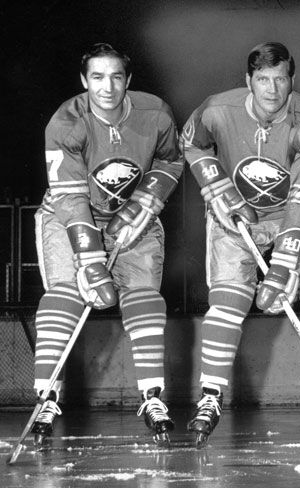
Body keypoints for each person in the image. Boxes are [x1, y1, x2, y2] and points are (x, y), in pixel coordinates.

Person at [180, 41, 300, 448]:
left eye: (280, 79)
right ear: (248, 81)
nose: (271, 89)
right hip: (239, 214)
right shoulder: (216, 109)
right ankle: (210, 397)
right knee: (228, 301)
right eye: (262, 79)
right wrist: (218, 189)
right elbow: (192, 142)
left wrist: (285, 260)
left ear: (291, 80)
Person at [32, 43, 184, 447]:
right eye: (97, 77)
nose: (107, 86)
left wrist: (143, 205)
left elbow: (171, 160)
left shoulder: (155, 113)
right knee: (66, 294)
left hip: (135, 216)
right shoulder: (66, 122)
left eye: (116, 76)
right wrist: (89, 256)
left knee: (145, 298)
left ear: (128, 80)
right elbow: (69, 195)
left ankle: (152, 397)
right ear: (84, 81)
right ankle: (47, 398)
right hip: (70, 215)